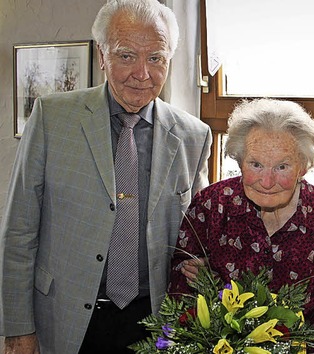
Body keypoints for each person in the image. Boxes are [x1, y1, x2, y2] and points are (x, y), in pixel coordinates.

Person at [0, 0, 213, 353]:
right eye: (126, 56)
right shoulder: (53, 118)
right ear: (102, 56)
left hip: (154, 321)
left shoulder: (193, 135)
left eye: (156, 58)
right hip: (64, 317)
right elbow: (19, 230)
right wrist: (17, 328)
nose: (142, 73)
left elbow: (195, 233)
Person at [167, 98, 314, 353]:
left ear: (303, 166)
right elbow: (180, 294)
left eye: (282, 166)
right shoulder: (210, 206)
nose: (267, 181)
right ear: (239, 160)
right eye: (255, 164)